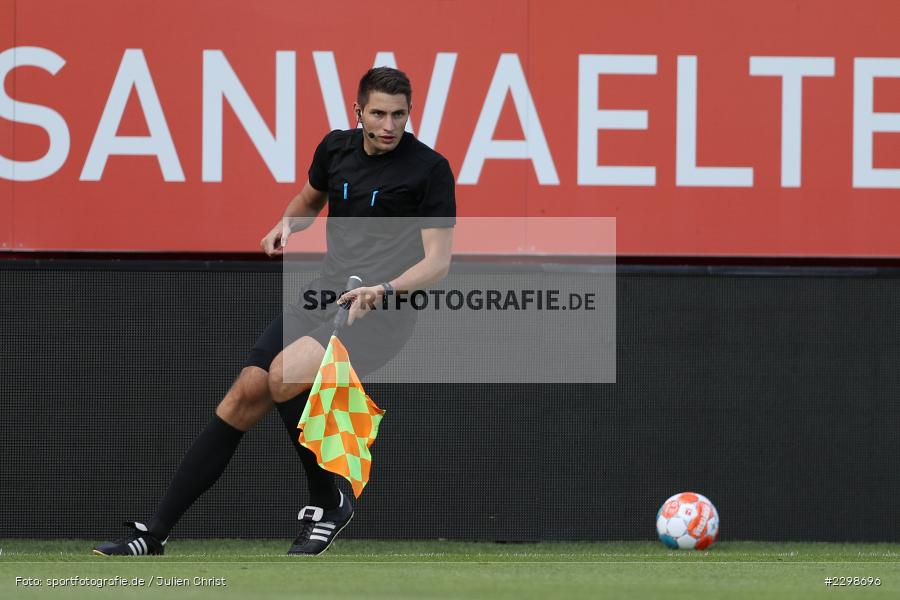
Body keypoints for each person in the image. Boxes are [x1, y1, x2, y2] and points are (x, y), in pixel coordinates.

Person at [92, 67, 456, 557]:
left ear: (410, 113)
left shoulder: (429, 169)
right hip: (323, 294)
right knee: (244, 394)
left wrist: (384, 289)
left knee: (285, 375)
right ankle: (153, 534)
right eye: (378, 114)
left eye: (399, 114)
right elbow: (308, 201)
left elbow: (437, 263)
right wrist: (286, 224)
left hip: (381, 311)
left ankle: (328, 500)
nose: (389, 125)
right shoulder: (335, 149)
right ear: (358, 112)